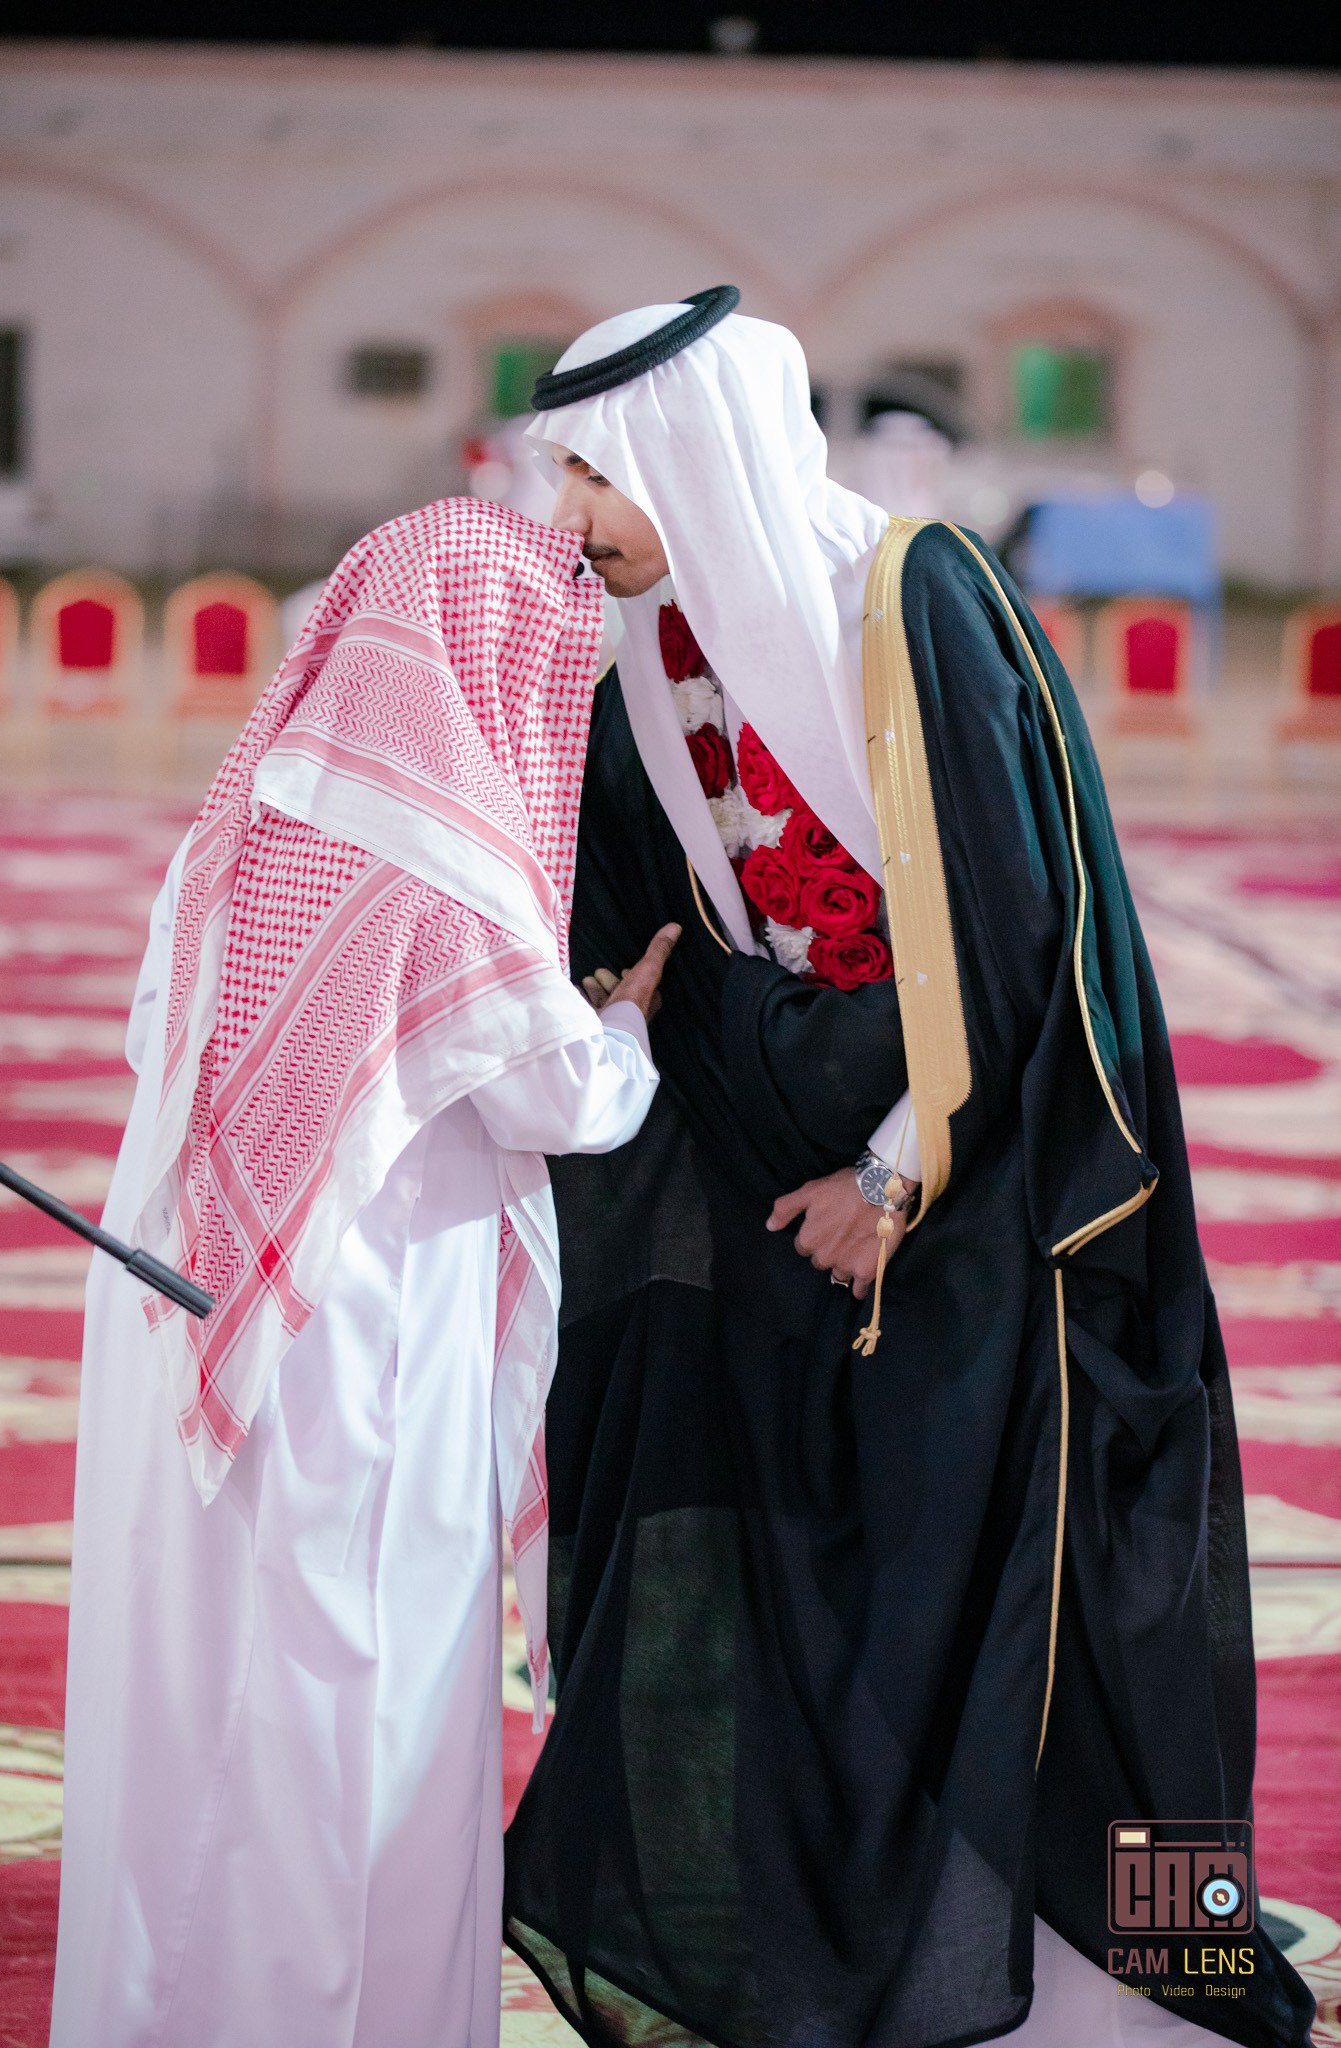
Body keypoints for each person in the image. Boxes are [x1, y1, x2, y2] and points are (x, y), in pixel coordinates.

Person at [500, 294, 1314, 2048]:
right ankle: (857, 1984)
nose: (568, 518)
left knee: (1072, 1613)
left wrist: (891, 1177)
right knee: (819, 1594)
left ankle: (1164, 1991)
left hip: (994, 1195)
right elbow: (648, 922)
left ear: (690, 459)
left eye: (592, 475)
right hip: (779, 1191)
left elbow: (1021, 921)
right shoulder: (641, 655)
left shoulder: (911, 596)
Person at [51, 497, 676, 2048]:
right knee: (345, 1693)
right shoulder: (436, 860)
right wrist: (630, 1020)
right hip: (359, 1345)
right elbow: (565, 1101)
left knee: (199, 1684)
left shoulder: (260, 804)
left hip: (201, 1305)